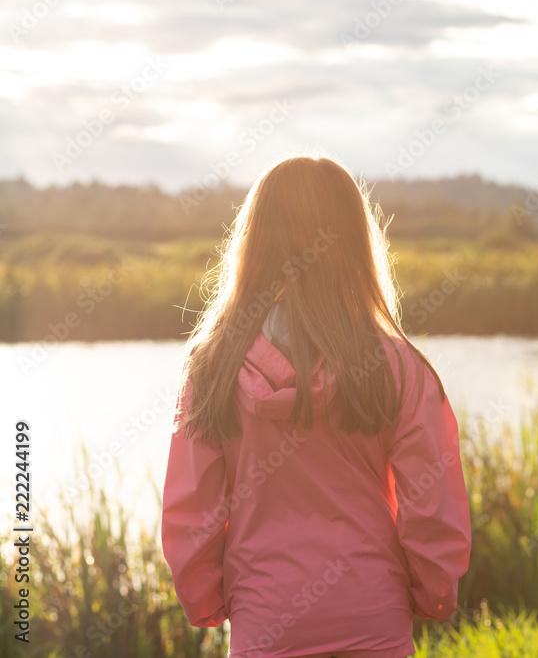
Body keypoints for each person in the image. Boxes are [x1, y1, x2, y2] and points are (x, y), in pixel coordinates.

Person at [160, 155, 472, 658]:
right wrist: (434, 593)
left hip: (266, 621)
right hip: (373, 615)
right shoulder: (398, 366)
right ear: (354, 242)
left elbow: (192, 508)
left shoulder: (212, 367)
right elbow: (431, 502)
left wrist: (205, 601)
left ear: (255, 242)